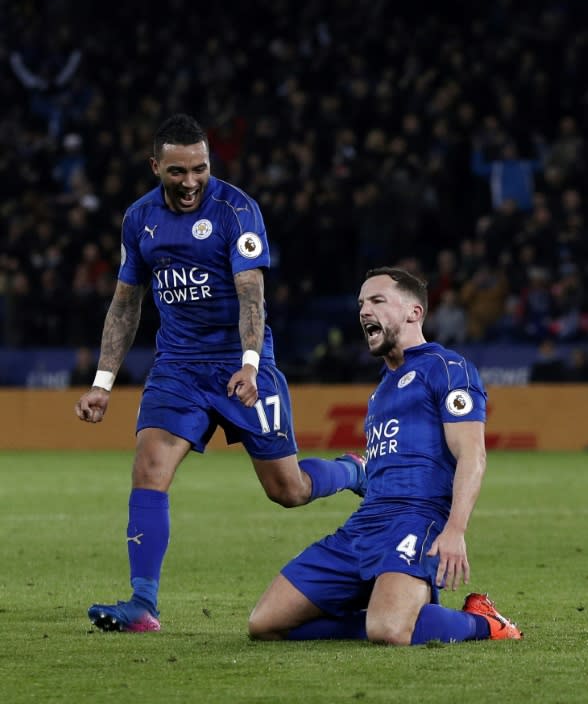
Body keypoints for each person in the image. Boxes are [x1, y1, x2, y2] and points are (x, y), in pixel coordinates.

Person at [74, 113, 366, 633]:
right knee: (149, 468)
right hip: (177, 368)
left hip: (240, 365)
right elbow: (124, 305)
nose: (190, 183)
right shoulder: (139, 219)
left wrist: (251, 365)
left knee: (289, 490)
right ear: (155, 166)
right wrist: (102, 384)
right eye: (177, 172)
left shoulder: (237, 210)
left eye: (200, 169)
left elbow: (252, 294)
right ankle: (144, 604)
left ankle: (353, 471)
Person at [249, 267, 522, 645]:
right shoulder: (381, 390)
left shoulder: (446, 368)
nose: (364, 311)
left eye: (377, 301)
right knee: (264, 625)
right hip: (364, 527)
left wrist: (455, 530)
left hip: (416, 520)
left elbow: (472, 455)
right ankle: (401, 608)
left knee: (389, 631)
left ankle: (484, 622)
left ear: (414, 313)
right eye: (361, 303)